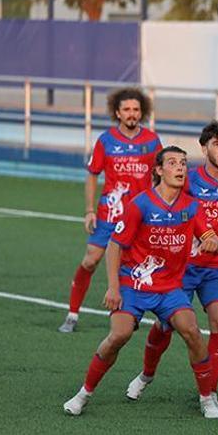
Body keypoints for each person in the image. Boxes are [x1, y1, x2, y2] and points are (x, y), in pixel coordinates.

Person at [63, 146, 218, 418]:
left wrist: (211, 241)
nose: (180, 168)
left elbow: (213, 239)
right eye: (173, 163)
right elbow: (115, 246)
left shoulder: (192, 206)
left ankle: (207, 399)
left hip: (169, 288)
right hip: (133, 286)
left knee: (193, 331)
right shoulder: (140, 204)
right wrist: (114, 287)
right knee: (119, 335)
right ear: (159, 170)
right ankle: (83, 394)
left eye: (183, 163)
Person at [125, 120, 218, 414]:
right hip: (182, 268)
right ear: (204, 149)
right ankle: (146, 374)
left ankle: (210, 393)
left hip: (217, 268)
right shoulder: (186, 178)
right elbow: (158, 202)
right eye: (216, 144)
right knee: (164, 326)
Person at [58, 88, 162, 333]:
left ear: (142, 112)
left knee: (139, 266)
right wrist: (89, 210)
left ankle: (131, 315)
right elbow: (93, 174)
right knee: (91, 259)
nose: (131, 114)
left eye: (136, 109)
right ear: (117, 112)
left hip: (140, 216)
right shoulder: (106, 140)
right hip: (110, 214)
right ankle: (72, 313)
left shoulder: (152, 141)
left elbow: (161, 176)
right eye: (126, 109)